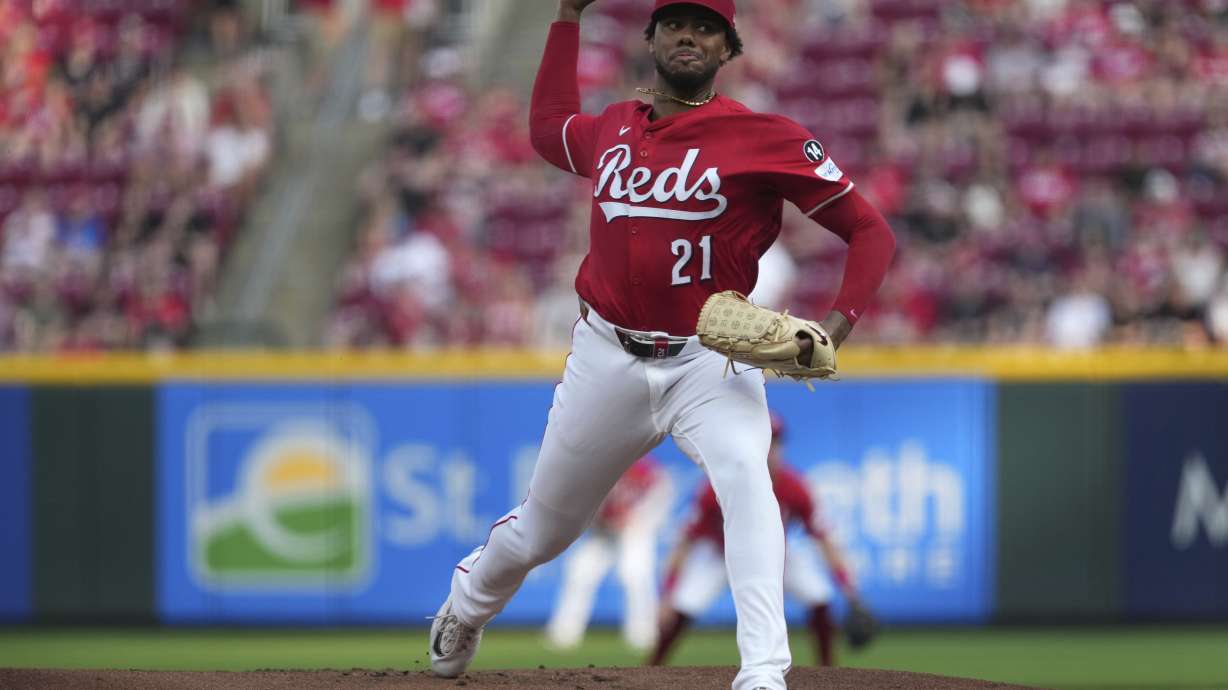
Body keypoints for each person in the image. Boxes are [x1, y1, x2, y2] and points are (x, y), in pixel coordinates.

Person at [427, 1, 895, 688]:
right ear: (650, 37)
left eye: (706, 26)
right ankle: (467, 605)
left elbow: (870, 231)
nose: (688, 34)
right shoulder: (616, 125)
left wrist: (840, 323)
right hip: (606, 356)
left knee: (748, 481)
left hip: (710, 359)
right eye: (675, 21)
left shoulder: (765, 137)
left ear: (728, 47)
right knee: (545, 530)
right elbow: (549, 131)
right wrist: (565, 16)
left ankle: (764, 668)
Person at [648, 413, 861, 668]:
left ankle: (827, 670)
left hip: (773, 554)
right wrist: (667, 594)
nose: (770, 450)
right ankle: (652, 669)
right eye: (764, 441)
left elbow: (824, 539)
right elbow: (685, 542)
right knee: (682, 604)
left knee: (819, 596)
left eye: (776, 442)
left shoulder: (794, 487)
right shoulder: (718, 485)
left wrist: (850, 591)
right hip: (721, 554)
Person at [544, 455, 674, 652]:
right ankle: (564, 634)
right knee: (580, 571)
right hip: (602, 533)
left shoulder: (643, 469)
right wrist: (601, 520)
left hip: (635, 531)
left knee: (635, 576)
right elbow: (582, 506)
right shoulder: (597, 470)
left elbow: (661, 494)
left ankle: (643, 634)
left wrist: (638, 518)